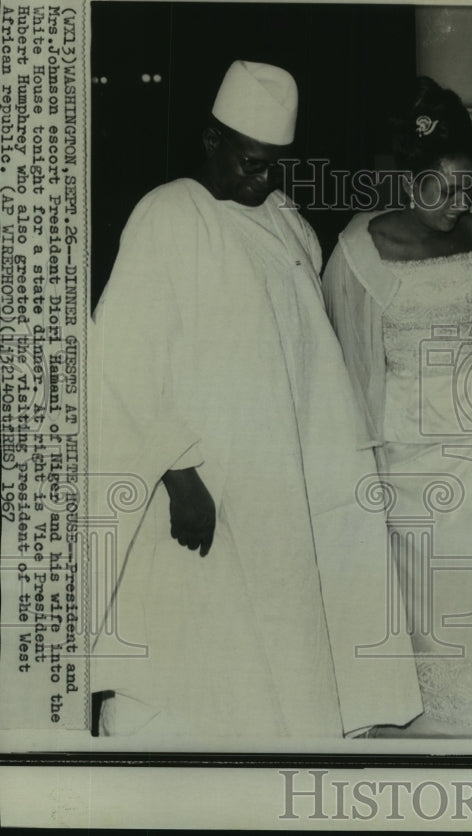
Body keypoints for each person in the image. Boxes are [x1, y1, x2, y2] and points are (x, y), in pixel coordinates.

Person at [89, 60, 421, 741]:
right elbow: (121, 361)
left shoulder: (287, 221)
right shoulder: (168, 214)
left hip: (285, 488)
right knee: (202, 667)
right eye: (250, 162)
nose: (262, 178)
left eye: (275, 165)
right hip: (207, 488)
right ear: (212, 139)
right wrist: (181, 479)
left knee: (288, 655)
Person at [322, 77, 472, 739]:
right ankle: (436, 733)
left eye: (468, 188)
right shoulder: (359, 251)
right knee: (434, 603)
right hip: (409, 454)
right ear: (408, 178)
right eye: (443, 188)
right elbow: (346, 371)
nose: (459, 203)